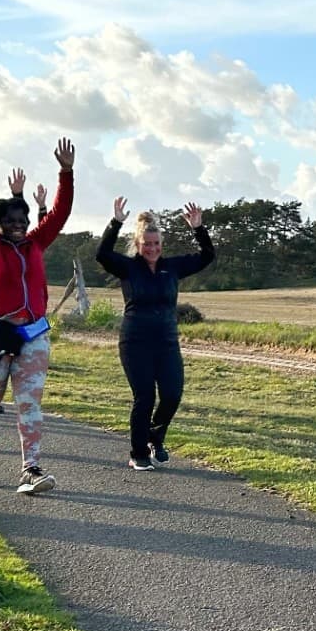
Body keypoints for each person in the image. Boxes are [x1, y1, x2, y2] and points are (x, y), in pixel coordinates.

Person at [0, 130, 75, 495]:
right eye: (10, 220)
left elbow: (60, 213)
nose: (19, 225)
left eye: (22, 220)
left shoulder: (36, 243)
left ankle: (31, 469)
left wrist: (66, 174)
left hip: (32, 332)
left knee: (29, 402)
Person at [94, 198, 215, 470]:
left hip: (167, 342)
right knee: (145, 397)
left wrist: (198, 228)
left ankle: (155, 437)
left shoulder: (171, 267)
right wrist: (115, 223)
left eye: (157, 244)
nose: (152, 249)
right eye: (147, 244)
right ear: (138, 245)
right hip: (135, 342)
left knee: (172, 394)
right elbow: (102, 254)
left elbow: (207, 256)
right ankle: (138, 453)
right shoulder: (128, 267)